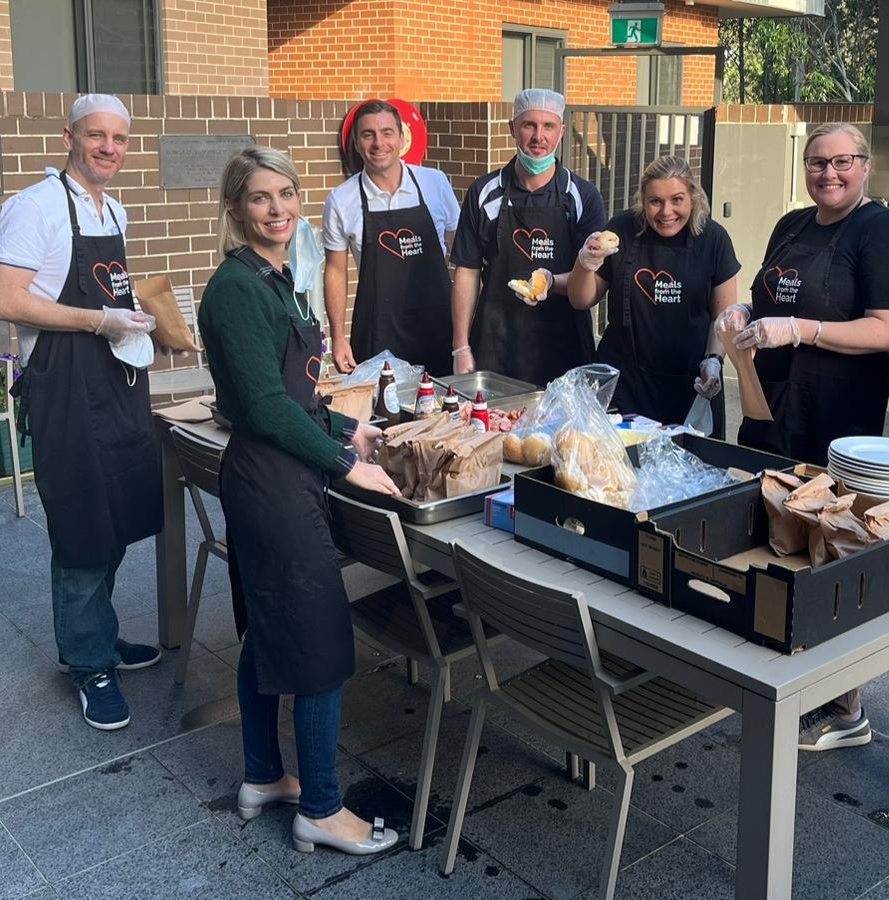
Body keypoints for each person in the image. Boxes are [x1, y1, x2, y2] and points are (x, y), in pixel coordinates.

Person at [197, 146, 403, 856]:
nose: (279, 208)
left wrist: (353, 427)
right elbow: (257, 405)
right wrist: (346, 462)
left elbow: (296, 394)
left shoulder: (277, 276)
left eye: (286, 194)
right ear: (235, 208)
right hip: (271, 482)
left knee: (269, 629)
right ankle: (320, 805)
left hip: (282, 472)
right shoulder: (236, 288)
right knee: (318, 641)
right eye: (260, 198)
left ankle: (263, 774)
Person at [715, 124, 889, 752]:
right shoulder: (792, 225)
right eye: (817, 163)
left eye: (841, 163)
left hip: (838, 411)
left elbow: (887, 332)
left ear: (865, 165)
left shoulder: (884, 231)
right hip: (772, 404)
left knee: (832, 545)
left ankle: (845, 704)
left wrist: (799, 329)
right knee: (773, 532)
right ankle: (776, 671)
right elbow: (762, 299)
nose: (828, 174)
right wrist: (746, 318)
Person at [0, 94, 164, 732]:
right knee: (81, 522)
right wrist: (100, 319)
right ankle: (88, 663)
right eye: (97, 135)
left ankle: (98, 635)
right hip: (63, 387)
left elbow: (107, 290)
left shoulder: (111, 208)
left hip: (116, 380)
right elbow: (6, 300)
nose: (109, 148)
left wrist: (138, 321)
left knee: (116, 515)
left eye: (119, 138)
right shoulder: (33, 207)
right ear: (69, 136)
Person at [565, 155, 738, 429]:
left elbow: (724, 318)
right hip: (625, 386)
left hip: (691, 386)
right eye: (655, 201)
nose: (666, 212)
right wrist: (585, 263)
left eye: (677, 200)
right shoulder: (622, 230)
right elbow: (581, 298)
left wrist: (714, 360)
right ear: (643, 202)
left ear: (693, 198)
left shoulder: (714, 240)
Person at [450, 88, 607, 386]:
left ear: (561, 132)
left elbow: (591, 281)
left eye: (548, 126)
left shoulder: (583, 196)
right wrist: (461, 346)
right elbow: (467, 272)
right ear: (512, 128)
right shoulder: (483, 193)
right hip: (496, 344)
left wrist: (549, 280)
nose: (539, 137)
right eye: (529, 125)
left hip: (565, 347)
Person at [324, 99, 460, 375]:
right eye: (368, 134)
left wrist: (466, 333)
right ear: (356, 142)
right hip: (377, 335)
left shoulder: (435, 183)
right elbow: (336, 271)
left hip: (440, 328)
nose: (379, 143)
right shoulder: (341, 200)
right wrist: (338, 337)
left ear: (401, 138)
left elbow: (463, 256)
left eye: (387, 133)